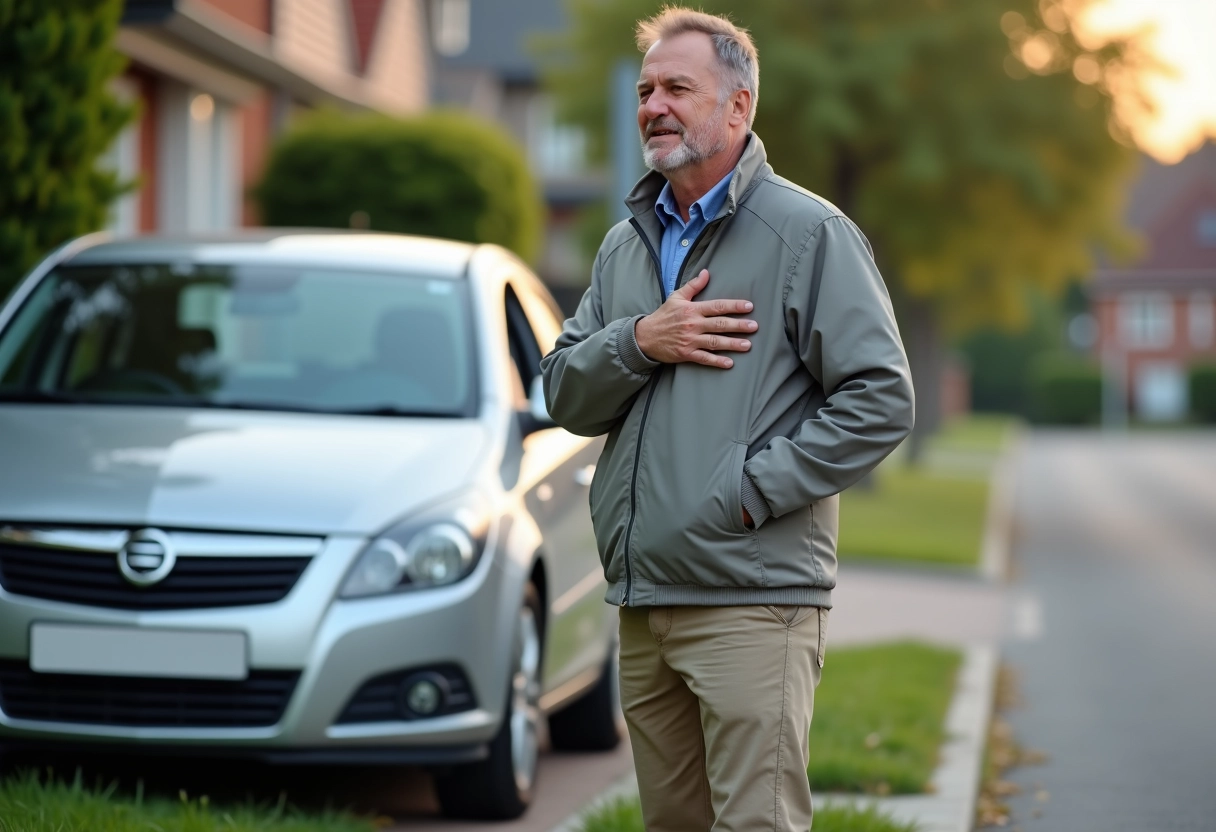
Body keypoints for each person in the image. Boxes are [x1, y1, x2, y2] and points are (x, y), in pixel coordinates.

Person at [539, 8, 914, 831]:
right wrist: (641, 340)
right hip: (644, 602)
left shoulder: (809, 233)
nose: (654, 106)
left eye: (677, 88)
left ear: (738, 106)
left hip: (753, 600)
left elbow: (881, 397)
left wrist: (749, 493)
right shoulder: (623, 247)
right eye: (646, 91)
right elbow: (562, 393)